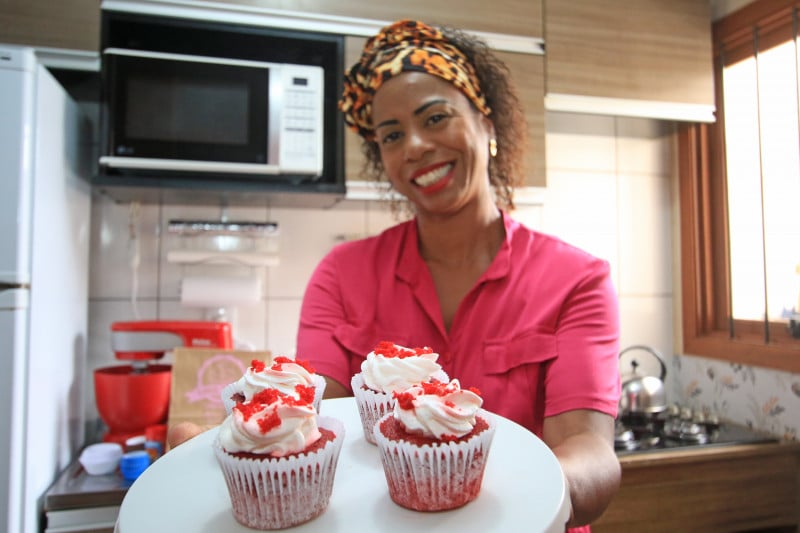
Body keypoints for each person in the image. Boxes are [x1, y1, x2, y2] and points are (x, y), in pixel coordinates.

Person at [169, 19, 621, 531]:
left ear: (487, 124)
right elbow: (314, 427)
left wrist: (510, 496)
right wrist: (236, 452)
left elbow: (588, 449)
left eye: (435, 118)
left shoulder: (577, 280)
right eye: (391, 134)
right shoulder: (341, 275)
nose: (414, 146)